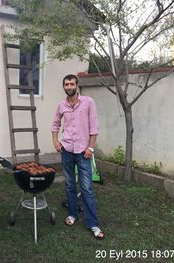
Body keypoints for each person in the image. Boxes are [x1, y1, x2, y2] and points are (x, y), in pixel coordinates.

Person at [51, 74, 105, 239]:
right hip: (67, 149)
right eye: (66, 84)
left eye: (71, 83)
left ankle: (93, 224)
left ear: (77, 85)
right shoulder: (61, 105)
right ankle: (73, 214)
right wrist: (55, 141)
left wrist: (91, 148)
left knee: (87, 187)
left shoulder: (88, 102)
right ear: (64, 87)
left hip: (83, 152)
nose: (69, 86)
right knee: (69, 184)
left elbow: (94, 127)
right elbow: (55, 124)